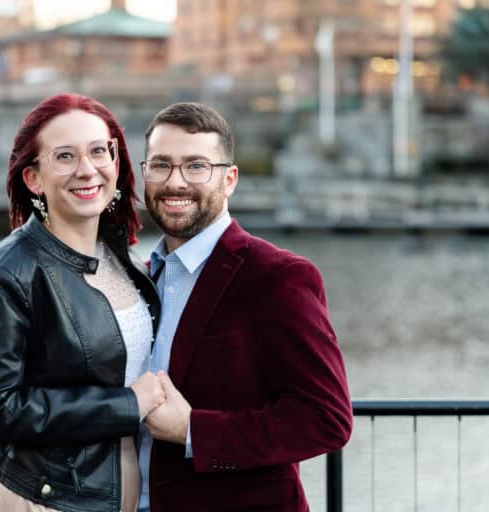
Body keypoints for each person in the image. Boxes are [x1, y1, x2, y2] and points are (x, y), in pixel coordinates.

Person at [136, 102, 353, 511]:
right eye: (161, 165)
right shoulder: (139, 278)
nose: (175, 182)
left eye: (196, 166)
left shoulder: (279, 277)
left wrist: (193, 431)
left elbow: (327, 419)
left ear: (229, 179)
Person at [0, 93, 164, 512]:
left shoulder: (123, 257)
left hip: (123, 495)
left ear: (116, 162)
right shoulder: (6, 272)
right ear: (34, 178)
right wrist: (126, 405)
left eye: (99, 152)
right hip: (49, 501)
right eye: (65, 156)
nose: (87, 170)